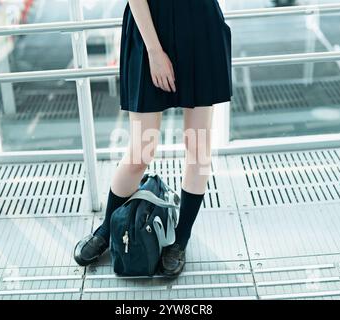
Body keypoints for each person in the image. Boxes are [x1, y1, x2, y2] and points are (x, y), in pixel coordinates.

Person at [74, 0, 232, 277]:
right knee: (141, 151)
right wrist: (155, 51)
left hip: (198, 26)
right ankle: (106, 228)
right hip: (150, 31)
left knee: (197, 145)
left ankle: (181, 239)